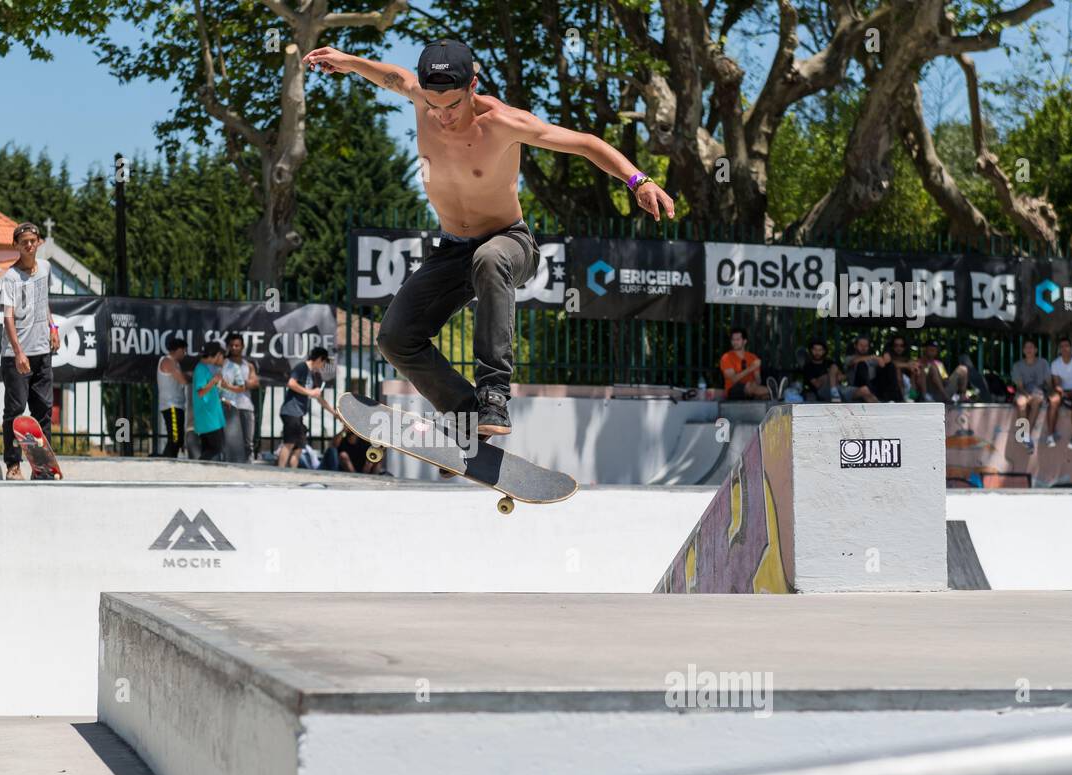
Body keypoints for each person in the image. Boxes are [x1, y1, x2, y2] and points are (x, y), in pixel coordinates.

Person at [303, 38, 673, 437]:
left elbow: (585, 144)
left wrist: (638, 180)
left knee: (489, 258)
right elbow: (391, 75)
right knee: (395, 339)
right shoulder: (419, 97)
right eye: (433, 105)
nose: (442, 116)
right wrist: (347, 61)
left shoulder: (505, 122)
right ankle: (467, 412)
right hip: (452, 250)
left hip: (509, 242)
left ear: (472, 86)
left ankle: (494, 395)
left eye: (453, 106)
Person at [0, 222, 59, 480]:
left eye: (33, 240)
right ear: (16, 245)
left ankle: (41, 466)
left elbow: (43, 302)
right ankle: (13, 465)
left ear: (39, 243)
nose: (29, 245)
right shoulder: (10, 278)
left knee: (43, 409)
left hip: (42, 351)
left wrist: (53, 326)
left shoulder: (45, 269)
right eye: (23, 241)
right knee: (15, 411)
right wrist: (18, 352)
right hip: (17, 356)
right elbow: (8, 317)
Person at [278, 346, 335, 468]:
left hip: (299, 415)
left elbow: (320, 399)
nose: (323, 366)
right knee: (289, 443)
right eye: (324, 363)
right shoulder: (302, 367)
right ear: (319, 359)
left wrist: (334, 412)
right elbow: (291, 383)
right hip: (290, 412)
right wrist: (309, 392)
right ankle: (280, 471)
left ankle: (293, 473)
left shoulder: (313, 375)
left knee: (299, 447)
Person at [220, 332, 259, 463]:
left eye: (237, 345)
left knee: (248, 443)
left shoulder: (248, 365)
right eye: (232, 345)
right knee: (228, 442)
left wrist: (240, 384)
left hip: (246, 407)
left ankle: (249, 469)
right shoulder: (223, 363)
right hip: (229, 407)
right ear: (228, 347)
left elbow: (256, 382)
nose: (235, 348)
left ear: (242, 346)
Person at [1012, 339, 1052, 450]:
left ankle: (1026, 435)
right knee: (1021, 403)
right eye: (1026, 347)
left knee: (1036, 401)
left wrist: (1050, 393)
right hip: (1023, 391)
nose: (1029, 349)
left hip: (1038, 391)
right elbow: (1019, 386)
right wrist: (1026, 395)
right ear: (1023, 351)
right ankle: (1024, 435)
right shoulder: (1017, 365)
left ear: (1036, 350)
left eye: (1031, 347)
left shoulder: (1043, 363)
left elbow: (1048, 381)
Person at [800, 338, 868, 402]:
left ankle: (834, 391)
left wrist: (830, 376)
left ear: (824, 351)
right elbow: (817, 384)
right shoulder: (808, 367)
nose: (817, 352)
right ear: (811, 350)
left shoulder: (830, 363)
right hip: (822, 391)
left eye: (820, 350)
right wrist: (830, 376)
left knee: (865, 391)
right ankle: (834, 391)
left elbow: (842, 377)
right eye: (815, 349)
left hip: (840, 389)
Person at [192, 343, 227, 462]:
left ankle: (202, 474)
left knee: (209, 449)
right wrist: (214, 381)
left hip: (211, 418)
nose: (222, 358)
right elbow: (200, 392)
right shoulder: (201, 368)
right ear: (217, 355)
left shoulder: (204, 367)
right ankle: (196, 467)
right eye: (222, 355)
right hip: (208, 419)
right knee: (215, 449)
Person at [156, 337, 190, 458]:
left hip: (177, 406)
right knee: (175, 439)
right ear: (179, 350)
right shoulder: (167, 361)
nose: (185, 354)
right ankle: (166, 464)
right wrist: (192, 376)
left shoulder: (175, 364)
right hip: (171, 406)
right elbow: (183, 380)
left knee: (178, 439)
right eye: (184, 351)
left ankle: (170, 462)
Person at [719, 328, 772, 400]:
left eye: (737, 339)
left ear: (744, 341)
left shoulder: (753, 357)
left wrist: (755, 383)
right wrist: (750, 368)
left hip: (752, 389)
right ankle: (775, 392)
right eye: (733, 340)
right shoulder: (726, 357)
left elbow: (758, 379)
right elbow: (733, 379)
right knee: (748, 386)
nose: (735, 342)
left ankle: (770, 393)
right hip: (733, 390)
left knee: (764, 396)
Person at [1047, 336, 1072, 449]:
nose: (1064, 348)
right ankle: (1050, 435)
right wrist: (1063, 393)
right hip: (1062, 391)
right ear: (1059, 349)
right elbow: (1057, 384)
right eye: (1062, 346)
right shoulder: (1055, 364)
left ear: (1071, 347)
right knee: (1053, 401)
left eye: (1066, 346)